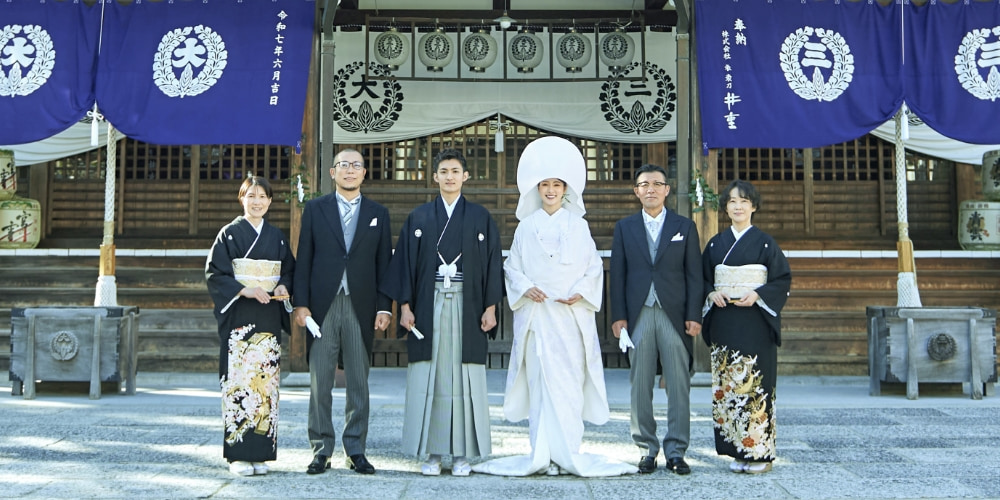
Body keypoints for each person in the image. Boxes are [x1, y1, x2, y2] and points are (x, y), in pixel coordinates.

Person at [472, 137, 637, 477]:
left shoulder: (578, 226)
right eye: (545, 185)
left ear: (566, 190)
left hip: (569, 317)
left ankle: (568, 453)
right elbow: (511, 268)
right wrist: (524, 287)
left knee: (568, 387)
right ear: (537, 189)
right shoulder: (526, 227)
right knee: (540, 386)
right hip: (537, 318)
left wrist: (579, 292)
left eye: (557, 185)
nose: (550, 190)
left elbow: (593, 268)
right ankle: (542, 453)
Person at [380, 148, 503, 477]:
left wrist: (491, 306)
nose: (449, 177)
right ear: (434, 177)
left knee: (464, 378)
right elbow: (404, 264)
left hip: (469, 303)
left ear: (466, 176)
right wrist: (405, 306)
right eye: (443, 171)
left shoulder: (480, 217)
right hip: (428, 302)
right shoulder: (419, 217)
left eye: (455, 171)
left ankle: (461, 454)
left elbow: (493, 263)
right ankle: (433, 453)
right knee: (429, 376)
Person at [292, 148, 393, 476]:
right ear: (333, 172)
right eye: (343, 165)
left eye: (356, 166)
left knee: (358, 382)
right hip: (323, 305)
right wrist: (301, 304)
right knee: (320, 379)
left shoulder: (379, 212)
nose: (350, 170)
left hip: (361, 305)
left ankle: (355, 449)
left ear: (364, 173)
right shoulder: (315, 210)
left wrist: (383, 307)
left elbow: (384, 265)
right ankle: (321, 449)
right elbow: (303, 258)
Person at [610, 164, 702, 475]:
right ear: (636, 191)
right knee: (640, 383)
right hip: (638, 314)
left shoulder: (684, 226)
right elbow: (618, 275)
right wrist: (619, 317)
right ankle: (646, 448)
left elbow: (694, 275)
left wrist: (693, 315)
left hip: (674, 314)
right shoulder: (624, 227)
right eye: (644, 184)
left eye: (657, 184)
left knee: (678, 383)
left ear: (667, 190)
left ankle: (676, 450)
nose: (651, 189)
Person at [206, 175, 294, 476]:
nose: (257, 202)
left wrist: (282, 287)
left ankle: (261, 454)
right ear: (241, 198)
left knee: (265, 383)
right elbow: (215, 274)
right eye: (251, 196)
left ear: (270, 202)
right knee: (240, 380)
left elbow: (289, 271)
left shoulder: (278, 237)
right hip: (240, 316)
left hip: (268, 314)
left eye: (262, 197)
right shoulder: (228, 234)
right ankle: (238, 455)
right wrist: (244, 289)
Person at [702, 179, 791, 474]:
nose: (738, 206)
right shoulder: (715, 244)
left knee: (756, 388)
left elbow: (781, 280)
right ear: (725, 208)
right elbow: (702, 279)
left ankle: (761, 455)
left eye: (744, 201)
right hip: (725, 320)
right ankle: (738, 451)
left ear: (753, 206)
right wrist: (711, 292)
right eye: (732, 202)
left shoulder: (766, 243)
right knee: (729, 388)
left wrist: (759, 294)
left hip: (755, 323)